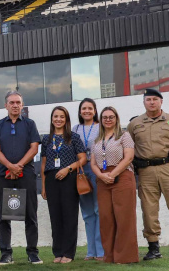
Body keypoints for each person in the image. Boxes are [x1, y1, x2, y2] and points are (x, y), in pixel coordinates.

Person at [127, 89, 169, 261]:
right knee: (149, 211)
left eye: (155, 99)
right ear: (144, 102)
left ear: (161, 102)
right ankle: (153, 248)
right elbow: (128, 147)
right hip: (146, 171)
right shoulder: (135, 124)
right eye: (148, 99)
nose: (151, 102)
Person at [0, 91, 41, 266]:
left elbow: (34, 148)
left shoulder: (29, 124)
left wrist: (18, 166)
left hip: (26, 174)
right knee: (4, 216)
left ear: (22, 105)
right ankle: (6, 253)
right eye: (11, 102)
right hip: (4, 175)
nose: (15, 105)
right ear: (6, 105)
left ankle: (32, 253)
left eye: (18, 102)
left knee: (31, 214)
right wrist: (10, 167)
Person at [90, 107, 138, 264]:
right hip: (103, 179)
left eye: (111, 117)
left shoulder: (124, 136)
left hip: (122, 176)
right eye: (105, 117)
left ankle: (124, 257)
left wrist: (113, 174)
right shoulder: (97, 140)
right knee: (106, 218)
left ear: (116, 118)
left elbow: (128, 157)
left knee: (124, 217)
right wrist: (101, 175)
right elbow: (93, 163)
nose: (108, 120)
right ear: (101, 120)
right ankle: (109, 256)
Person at [40, 106, 87, 264]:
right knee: (55, 217)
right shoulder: (46, 139)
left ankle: (68, 253)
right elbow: (43, 164)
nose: (58, 119)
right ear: (52, 119)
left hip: (69, 178)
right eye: (55, 116)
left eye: (62, 116)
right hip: (51, 179)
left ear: (66, 119)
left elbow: (83, 159)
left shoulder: (73, 137)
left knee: (69, 216)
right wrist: (44, 186)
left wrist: (68, 169)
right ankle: (58, 252)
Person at [73, 98, 104, 261]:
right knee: (87, 213)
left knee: (99, 210)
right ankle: (90, 251)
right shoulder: (75, 128)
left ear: (95, 111)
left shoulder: (101, 126)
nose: (87, 111)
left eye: (90, 108)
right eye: (84, 108)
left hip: (96, 169)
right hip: (81, 172)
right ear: (80, 111)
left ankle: (100, 251)